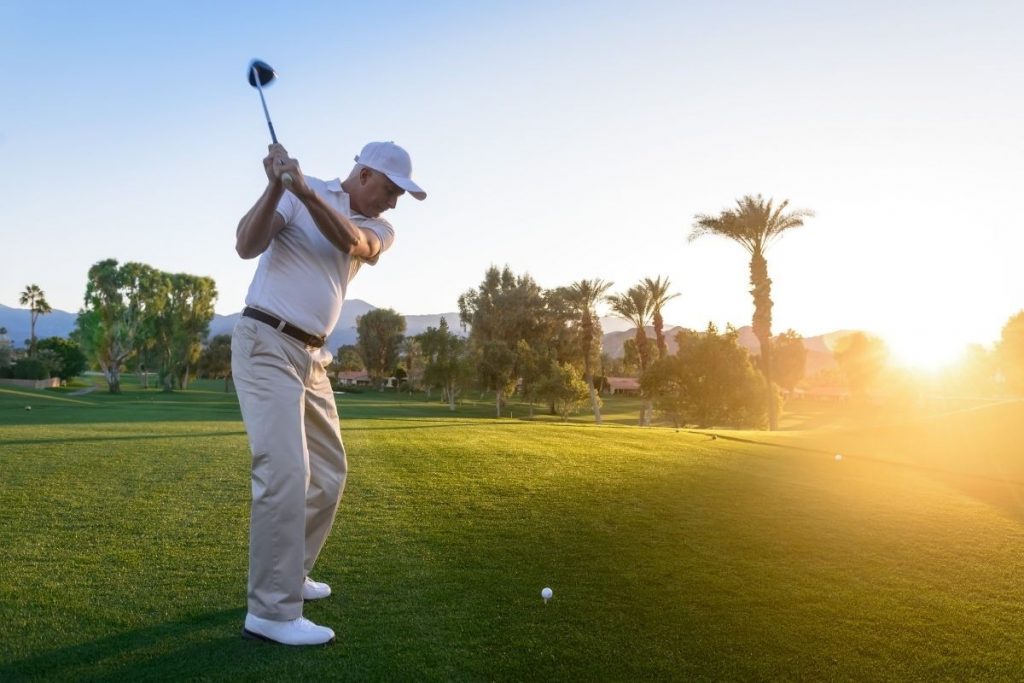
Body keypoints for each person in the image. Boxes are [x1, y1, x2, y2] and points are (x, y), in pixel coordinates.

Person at [232, 141, 426, 646]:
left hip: (313, 359)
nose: (393, 202)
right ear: (364, 175)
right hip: (266, 341)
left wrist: (305, 193)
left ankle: (289, 575)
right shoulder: (301, 192)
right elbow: (246, 245)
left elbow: (355, 244)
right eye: (389, 189)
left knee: (330, 474)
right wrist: (278, 183)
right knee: (285, 470)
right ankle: (272, 612)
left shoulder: (379, 227)